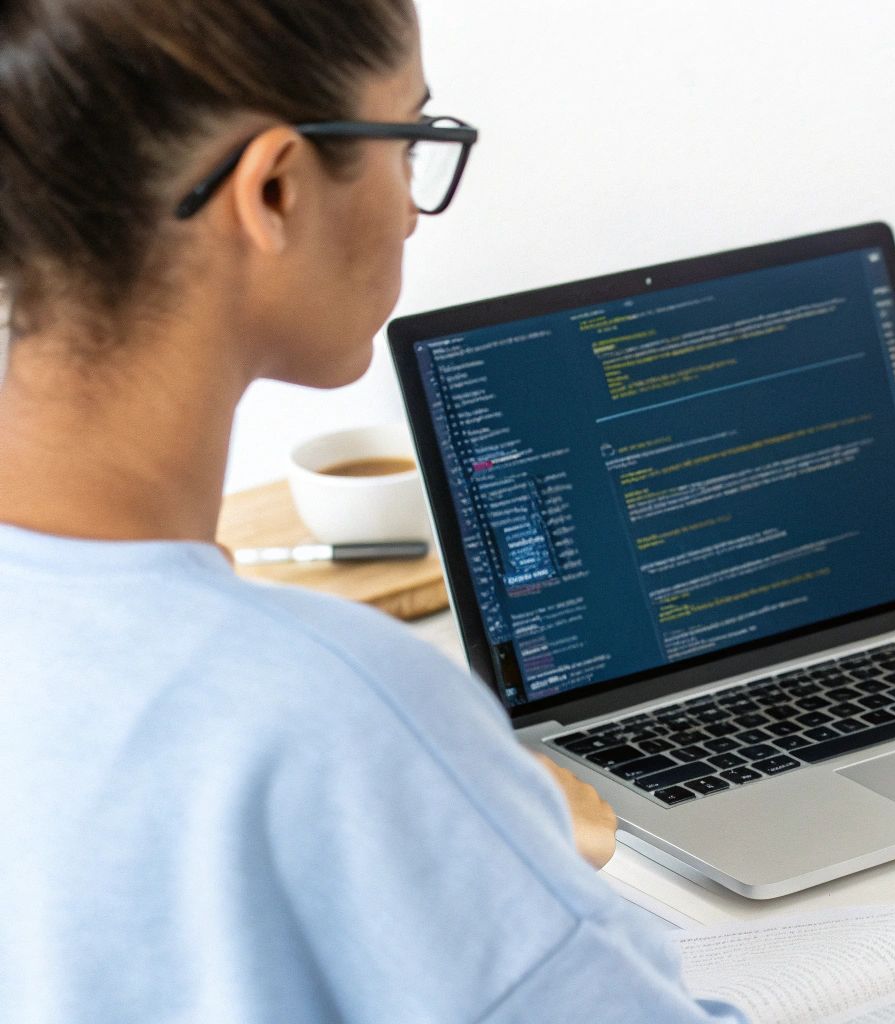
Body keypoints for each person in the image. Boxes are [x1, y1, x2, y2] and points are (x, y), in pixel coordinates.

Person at [0, 2, 741, 1020]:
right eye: (409, 140)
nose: (410, 215)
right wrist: (472, 833)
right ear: (275, 189)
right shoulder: (329, 712)